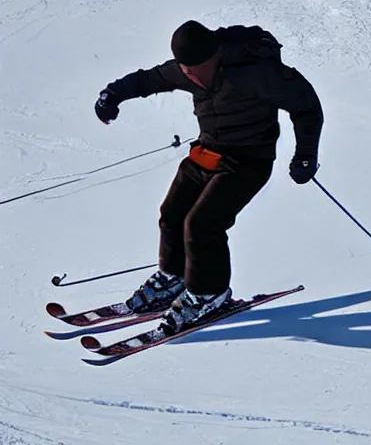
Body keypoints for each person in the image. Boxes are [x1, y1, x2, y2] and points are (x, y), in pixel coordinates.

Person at [94, 20, 324, 333]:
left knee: (202, 224)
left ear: (215, 56)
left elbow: (307, 105)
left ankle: (209, 292)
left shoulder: (256, 72)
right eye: (185, 70)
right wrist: (113, 94)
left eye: (195, 68)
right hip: (209, 152)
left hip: (249, 160)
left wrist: (306, 155)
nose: (190, 76)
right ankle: (173, 278)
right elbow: (149, 80)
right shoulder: (185, 68)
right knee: (172, 214)